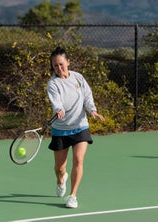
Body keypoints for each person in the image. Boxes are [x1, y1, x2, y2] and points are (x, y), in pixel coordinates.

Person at [47, 46, 105, 208]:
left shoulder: (78, 78)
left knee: (78, 160)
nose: (59, 68)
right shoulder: (53, 83)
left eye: (61, 64)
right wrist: (58, 109)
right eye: (55, 66)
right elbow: (56, 101)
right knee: (59, 168)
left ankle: (73, 196)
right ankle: (61, 180)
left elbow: (87, 95)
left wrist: (92, 110)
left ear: (68, 62)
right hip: (60, 129)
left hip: (80, 126)